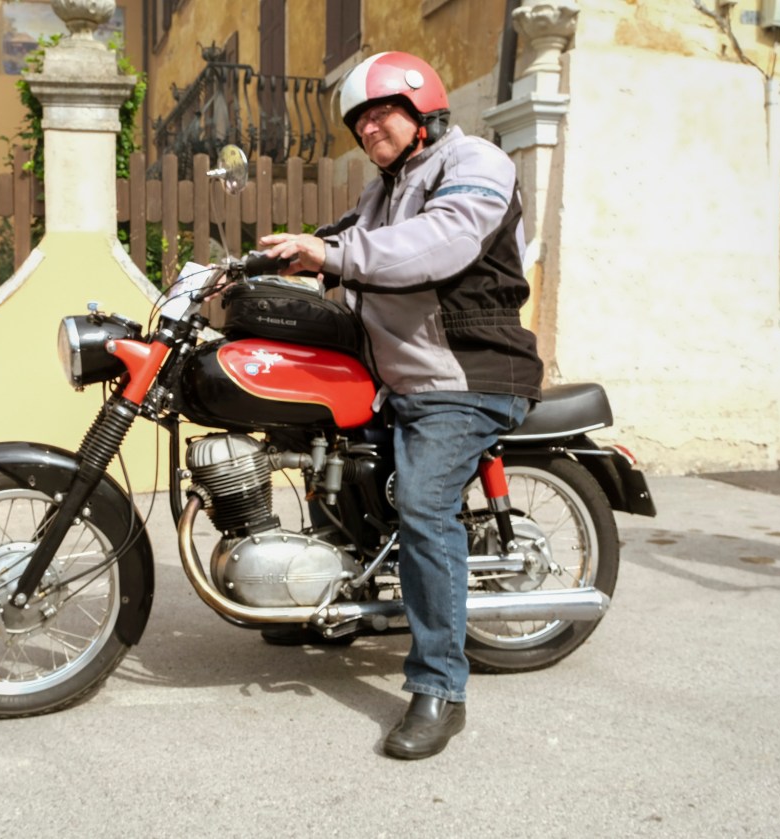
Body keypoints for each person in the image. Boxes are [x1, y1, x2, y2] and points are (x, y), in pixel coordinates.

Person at [260, 51, 543, 760]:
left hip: (468, 376)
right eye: (358, 121)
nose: (368, 128)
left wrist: (331, 255)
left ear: (423, 112)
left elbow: (437, 244)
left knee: (423, 504)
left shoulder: (474, 163)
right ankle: (338, 604)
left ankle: (441, 688)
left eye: (381, 113)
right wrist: (256, 266)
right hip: (406, 381)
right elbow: (341, 240)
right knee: (326, 456)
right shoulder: (381, 192)